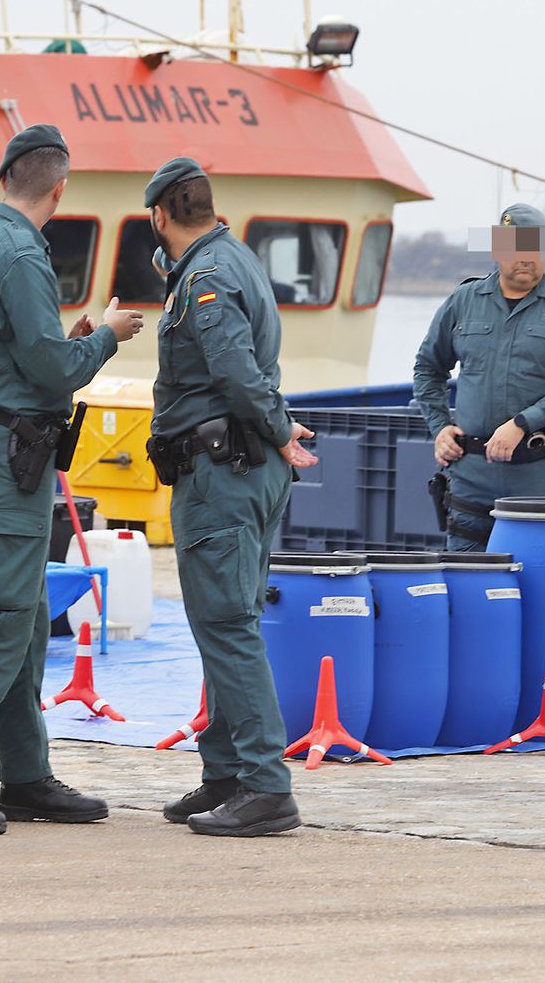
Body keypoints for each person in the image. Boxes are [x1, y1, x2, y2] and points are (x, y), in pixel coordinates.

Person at [0, 124, 144, 835]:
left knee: (24, 616)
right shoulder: (20, 253)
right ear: (59, 188)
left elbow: (19, 355)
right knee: (3, 621)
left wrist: (67, 340)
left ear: (4, 181)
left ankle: (25, 777)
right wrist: (106, 335)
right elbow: (52, 371)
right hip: (4, 453)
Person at [142, 157, 319, 837]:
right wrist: (275, 425)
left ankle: (266, 786)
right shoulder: (234, 258)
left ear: (159, 215)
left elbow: (236, 371)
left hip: (223, 472)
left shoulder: (207, 277)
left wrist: (275, 429)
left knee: (226, 625)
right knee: (226, 619)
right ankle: (226, 773)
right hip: (241, 464)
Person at [413, 203, 545, 551]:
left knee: (543, 583)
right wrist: (439, 426)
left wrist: (522, 423)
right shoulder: (463, 301)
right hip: (471, 480)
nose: (527, 258)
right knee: (470, 584)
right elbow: (428, 368)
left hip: (541, 480)